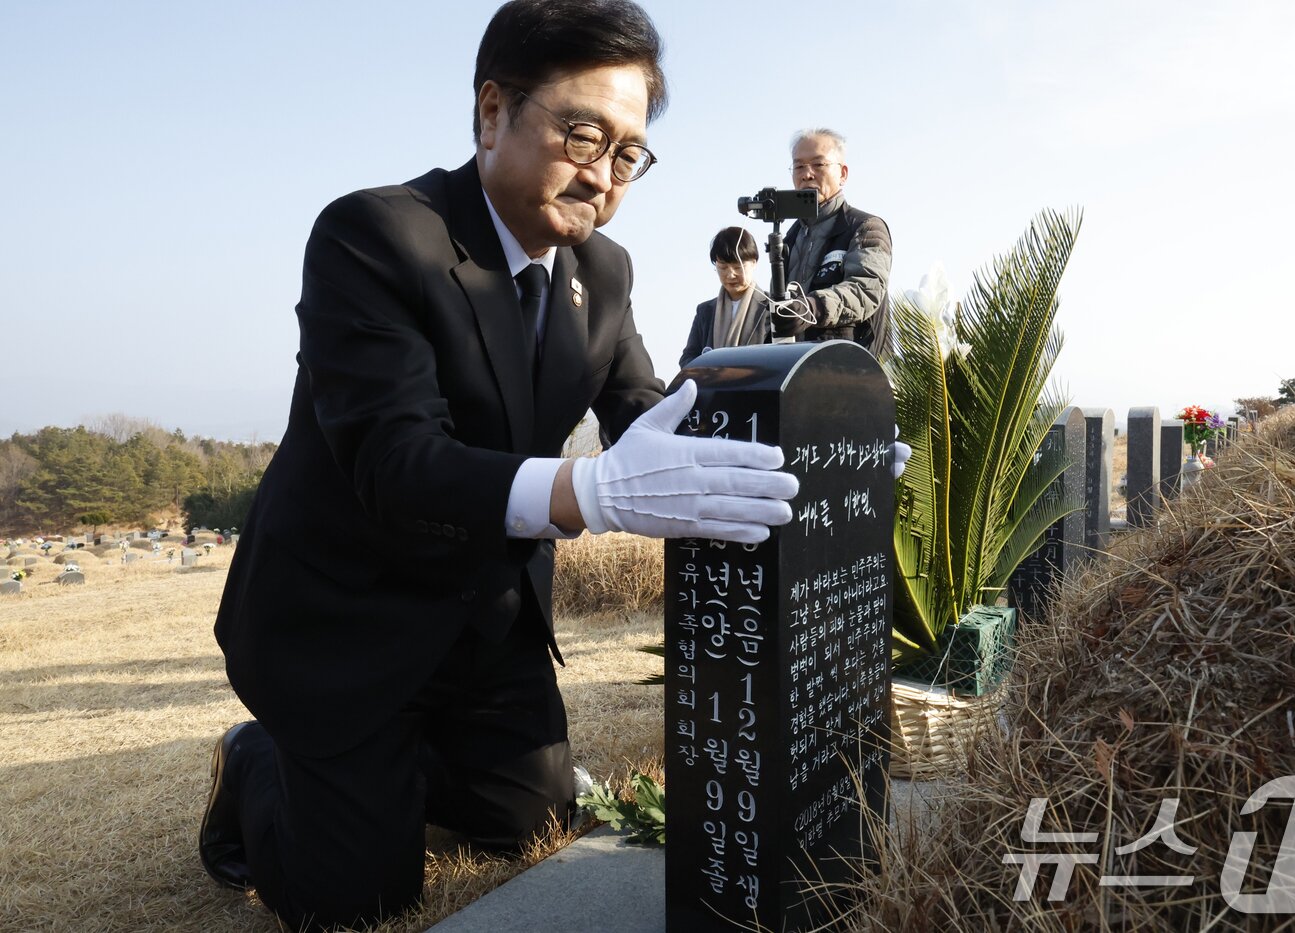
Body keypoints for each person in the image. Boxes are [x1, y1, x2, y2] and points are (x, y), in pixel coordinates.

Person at [196, 2, 799, 929]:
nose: (603, 173)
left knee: (531, 822)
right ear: (492, 114)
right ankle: (258, 761)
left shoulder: (604, 272)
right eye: (582, 132)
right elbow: (396, 460)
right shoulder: (376, 236)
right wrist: (586, 491)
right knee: (360, 900)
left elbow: (651, 411)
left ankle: (401, 761)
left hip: (483, 627)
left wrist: (812, 441)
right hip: (345, 622)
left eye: (629, 151)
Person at [774, 128, 893, 356]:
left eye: (818, 165)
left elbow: (864, 289)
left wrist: (812, 307)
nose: (807, 174)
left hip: (852, 370)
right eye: (799, 166)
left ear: (843, 173)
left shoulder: (865, 227)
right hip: (795, 369)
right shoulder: (788, 238)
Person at [678, 226, 770, 368]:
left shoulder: (772, 307)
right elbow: (687, 358)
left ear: (754, 263)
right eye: (723, 267)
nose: (730, 275)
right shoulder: (705, 311)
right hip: (714, 388)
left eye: (738, 267)